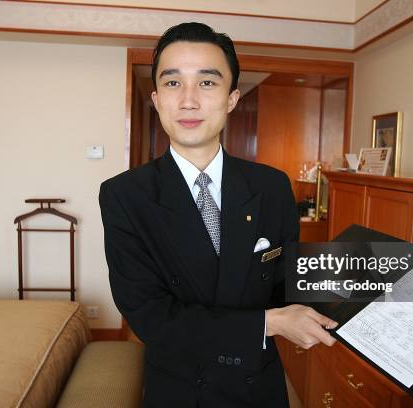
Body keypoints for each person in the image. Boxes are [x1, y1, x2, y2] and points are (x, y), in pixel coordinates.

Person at [99, 22, 337, 408]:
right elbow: (151, 317)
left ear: (231, 98)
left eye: (207, 83)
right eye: (173, 83)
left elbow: (287, 282)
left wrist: (370, 287)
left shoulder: (272, 186)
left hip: (258, 386)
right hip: (181, 390)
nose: (189, 101)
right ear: (157, 99)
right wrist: (269, 324)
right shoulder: (125, 196)